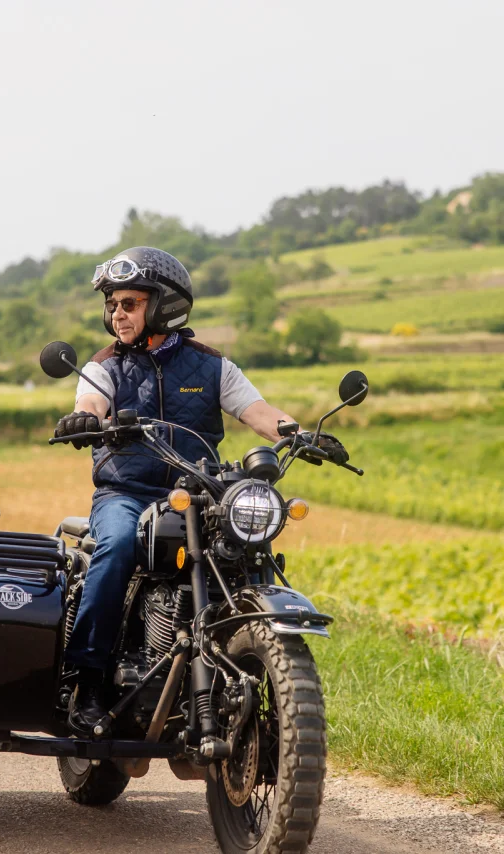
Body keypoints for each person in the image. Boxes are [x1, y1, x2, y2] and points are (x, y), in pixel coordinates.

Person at [54, 246, 348, 734]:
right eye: (113, 304)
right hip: (126, 493)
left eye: (129, 303)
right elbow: (92, 400)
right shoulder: (105, 367)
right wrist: (87, 417)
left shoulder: (212, 367)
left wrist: (299, 433)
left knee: (248, 554)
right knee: (118, 546)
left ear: (164, 304)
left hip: (200, 495)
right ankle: (84, 679)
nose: (117, 313)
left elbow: (258, 412)